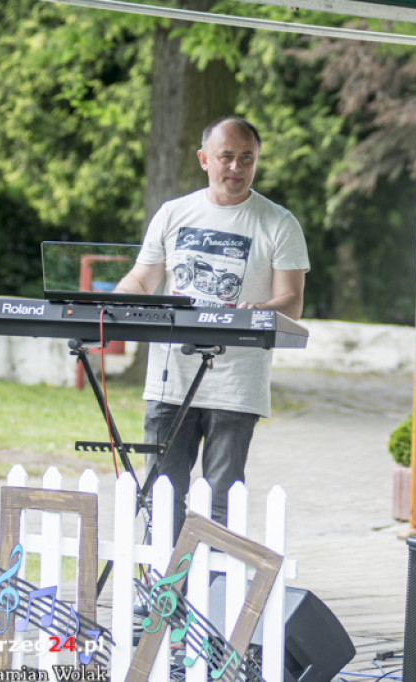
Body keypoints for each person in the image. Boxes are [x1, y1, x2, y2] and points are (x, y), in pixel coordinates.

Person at [115, 115, 309, 536]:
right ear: (204, 159)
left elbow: (292, 302)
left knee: (222, 498)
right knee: (163, 493)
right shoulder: (173, 213)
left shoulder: (278, 222)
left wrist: (261, 308)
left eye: (247, 158)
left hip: (236, 386)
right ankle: (166, 598)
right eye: (226, 157)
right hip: (170, 381)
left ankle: (214, 592)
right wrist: (109, 305)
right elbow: (142, 278)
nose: (236, 168)